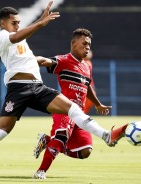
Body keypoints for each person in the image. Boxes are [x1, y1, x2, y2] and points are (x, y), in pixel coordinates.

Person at [0, 1, 127, 180]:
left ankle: (107, 135)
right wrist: (41, 23)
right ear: (3, 23)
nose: (18, 25)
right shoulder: (0, 37)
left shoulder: (21, 37)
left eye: (19, 22)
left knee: (73, 108)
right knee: (2, 131)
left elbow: (23, 39)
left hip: (37, 87)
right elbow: (16, 37)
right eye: (14, 22)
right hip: (18, 89)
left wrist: (39, 23)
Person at [32, 29, 128, 179]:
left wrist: (98, 104)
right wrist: (29, 60)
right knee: (62, 137)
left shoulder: (87, 66)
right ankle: (40, 171)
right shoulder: (64, 60)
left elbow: (87, 85)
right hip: (64, 109)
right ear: (73, 43)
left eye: (89, 44)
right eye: (84, 43)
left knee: (85, 151)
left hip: (80, 113)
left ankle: (48, 141)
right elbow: (45, 61)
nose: (87, 47)